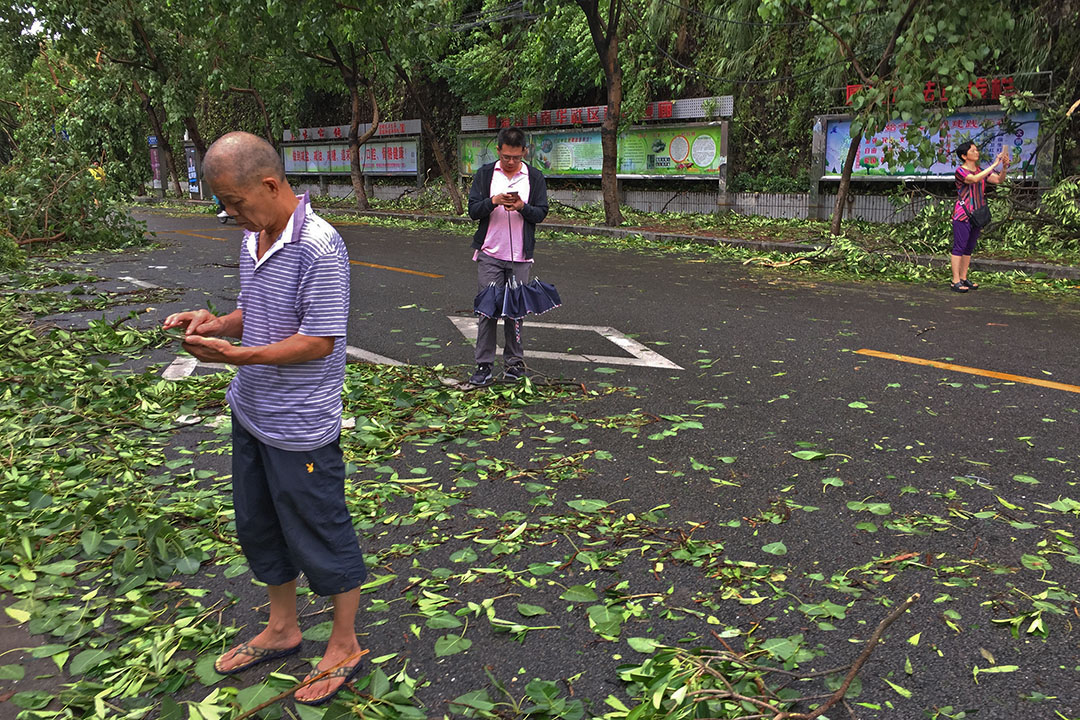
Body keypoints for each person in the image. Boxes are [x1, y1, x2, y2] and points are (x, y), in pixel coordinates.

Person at [162, 131, 366, 707]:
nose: (231, 215)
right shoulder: (257, 237)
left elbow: (319, 340)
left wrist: (239, 355)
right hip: (251, 410)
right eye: (224, 205)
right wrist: (218, 323)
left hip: (300, 422)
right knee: (258, 523)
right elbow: (262, 312)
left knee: (319, 527)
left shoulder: (321, 246)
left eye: (235, 202)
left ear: (271, 185)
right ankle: (284, 628)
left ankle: (345, 645)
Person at [466, 126, 549, 385]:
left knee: (515, 312)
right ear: (498, 151)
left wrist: (522, 207)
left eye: (516, 157)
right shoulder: (485, 175)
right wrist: (494, 201)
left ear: (524, 152)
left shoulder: (534, 177)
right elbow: (473, 211)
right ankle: (483, 366)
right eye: (506, 157)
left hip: (520, 256)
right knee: (487, 311)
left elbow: (541, 213)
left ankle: (514, 364)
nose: (511, 162)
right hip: (490, 253)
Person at [951, 141, 1008, 293]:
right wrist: (994, 164)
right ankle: (955, 280)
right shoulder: (960, 171)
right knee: (959, 246)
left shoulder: (980, 170)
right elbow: (974, 179)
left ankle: (963, 277)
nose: (977, 153)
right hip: (963, 214)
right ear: (964, 156)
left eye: (977, 150)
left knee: (969, 247)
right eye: (973, 151)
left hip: (977, 214)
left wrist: (1004, 167)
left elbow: (998, 180)